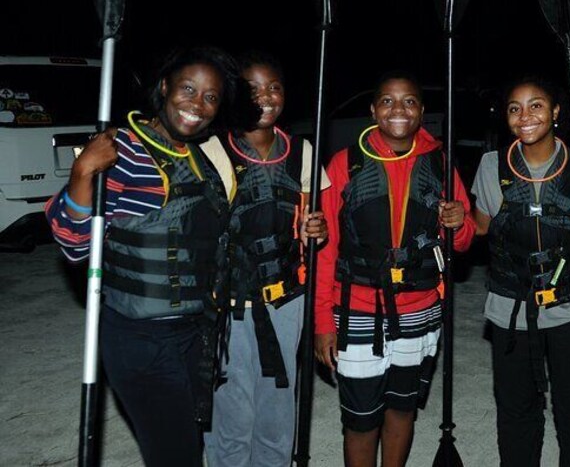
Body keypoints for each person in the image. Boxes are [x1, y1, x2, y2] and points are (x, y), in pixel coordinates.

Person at [45, 46, 253, 467]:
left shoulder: (200, 155)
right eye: (188, 89)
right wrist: (83, 173)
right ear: (164, 88)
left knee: (184, 447)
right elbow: (72, 242)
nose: (198, 104)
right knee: (176, 457)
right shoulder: (121, 150)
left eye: (210, 97)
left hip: (196, 333)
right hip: (141, 340)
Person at [314, 71, 475, 467]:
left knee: (402, 409)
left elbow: (463, 242)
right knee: (360, 420)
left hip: (419, 308)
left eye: (408, 101)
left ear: (421, 111)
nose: (397, 109)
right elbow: (325, 248)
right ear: (373, 110)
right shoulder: (344, 163)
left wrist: (458, 223)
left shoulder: (440, 163)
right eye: (387, 101)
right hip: (358, 308)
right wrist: (321, 321)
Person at [204, 51, 329, 466]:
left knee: (279, 399)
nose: (265, 96)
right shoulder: (211, 149)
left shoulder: (302, 152)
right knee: (232, 406)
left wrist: (318, 230)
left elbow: (314, 221)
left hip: (285, 299)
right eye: (253, 88)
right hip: (230, 302)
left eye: (273, 87)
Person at [471, 76, 570, 467]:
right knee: (516, 410)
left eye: (536, 105)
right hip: (510, 307)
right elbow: (478, 228)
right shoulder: (492, 165)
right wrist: (454, 219)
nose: (525, 116)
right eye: (515, 108)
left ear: (556, 112)